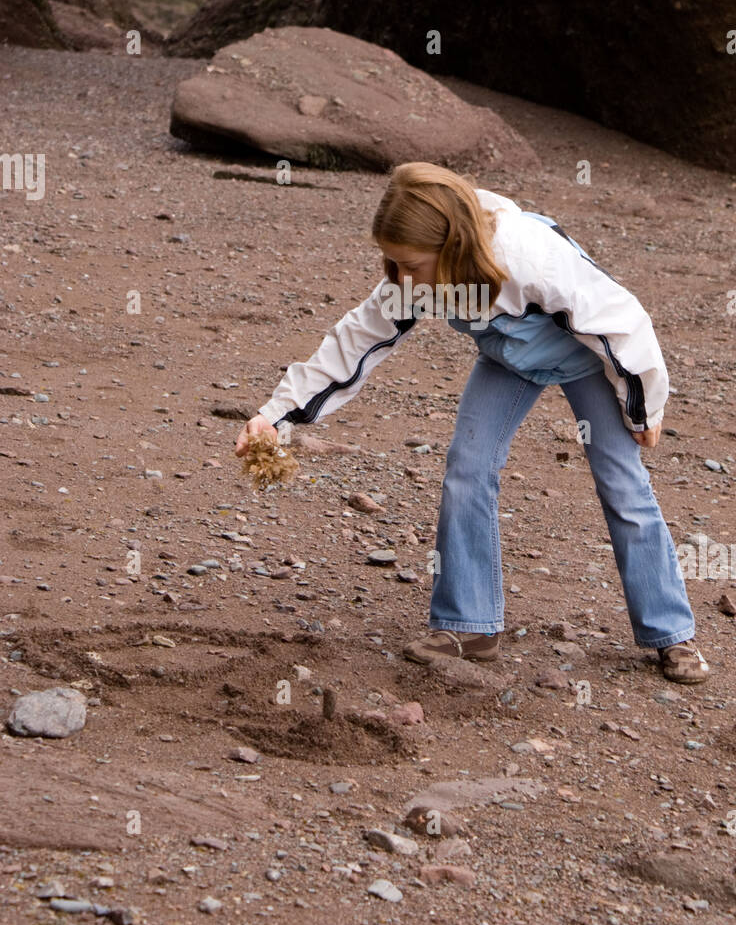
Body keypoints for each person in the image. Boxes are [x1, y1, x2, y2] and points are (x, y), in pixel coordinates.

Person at [235, 161, 709, 684]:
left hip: (585, 361)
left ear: (453, 248)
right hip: (509, 362)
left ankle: (671, 634)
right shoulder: (411, 278)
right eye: (390, 263)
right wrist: (275, 417)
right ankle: (470, 627)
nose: (400, 278)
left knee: (622, 483)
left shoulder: (531, 259)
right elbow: (356, 341)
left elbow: (621, 324)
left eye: (410, 264)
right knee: (467, 467)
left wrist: (643, 404)